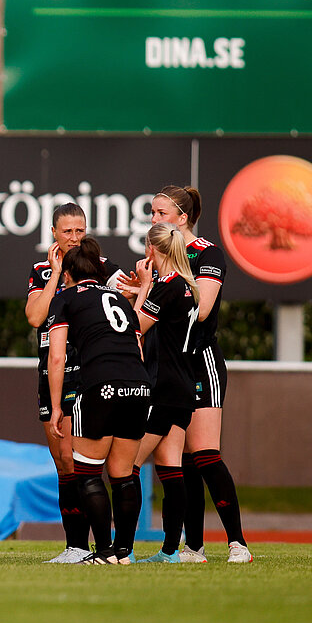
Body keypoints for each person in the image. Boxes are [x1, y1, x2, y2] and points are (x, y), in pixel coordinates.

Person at [150, 184, 250, 564]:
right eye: (153, 212)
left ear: (183, 217)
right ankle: (193, 547)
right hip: (170, 364)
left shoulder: (205, 254)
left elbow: (203, 308)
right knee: (183, 460)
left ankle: (238, 543)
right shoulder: (161, 255)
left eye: (161, 213)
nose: (154, 219)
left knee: (206, 453)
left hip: (200, 359)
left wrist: (166, 283)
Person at [25, 202, 121, 564]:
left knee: (80, 461)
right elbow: (35, 316)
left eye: (80, 230)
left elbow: (128, 299)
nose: (75, 238)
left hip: (87, 373)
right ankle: (76, 546)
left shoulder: (102, 268)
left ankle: (105, 548)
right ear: (54, 233)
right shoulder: (39, 271)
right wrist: (54, 275)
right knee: (63, 463)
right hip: (52, 374)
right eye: (68, 231)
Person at [45, 239, 149, 564]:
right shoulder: (118, 298)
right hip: (139, 385)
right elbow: (139, 347)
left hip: (100, 385)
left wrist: (56, 406)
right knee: (123, 475)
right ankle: (124, 552)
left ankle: (103, 551)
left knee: (88, 473)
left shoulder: (64, 299)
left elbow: (57, 357)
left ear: (69, 273)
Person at [126, 222, 199, 563]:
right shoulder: (188, 286)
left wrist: (142, 288)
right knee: (171, 468)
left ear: (152, 250)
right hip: (184, 386)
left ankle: (120, 548)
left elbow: (134, 327)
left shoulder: (166, 286)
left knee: (128, 465)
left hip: (163, 387)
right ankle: (171, 551)